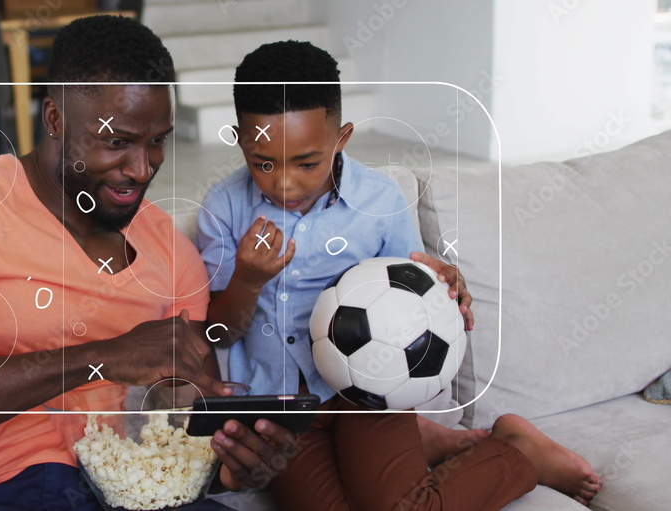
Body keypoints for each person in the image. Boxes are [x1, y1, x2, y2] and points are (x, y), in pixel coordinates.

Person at [0, 16, 297, 510]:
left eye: (157, 141)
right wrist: (99, 357)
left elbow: (183, 429)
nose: (142, 167)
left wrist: (232, 462)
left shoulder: (171, 252)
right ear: (55, 119)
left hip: (124, 493)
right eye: (117, 142)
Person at [195, 40, 601, 510]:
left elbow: (412, 289)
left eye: (307, 162)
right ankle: (449, 447)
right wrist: (247, 280)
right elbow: (217, 334)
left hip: (370, 388)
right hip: (284, 411)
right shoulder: (225, 208)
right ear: (241, 140)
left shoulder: (380, 201)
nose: (285, 182)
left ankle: (518, 452)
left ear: (341, 138)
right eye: (263, 163)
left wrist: (445, 284)